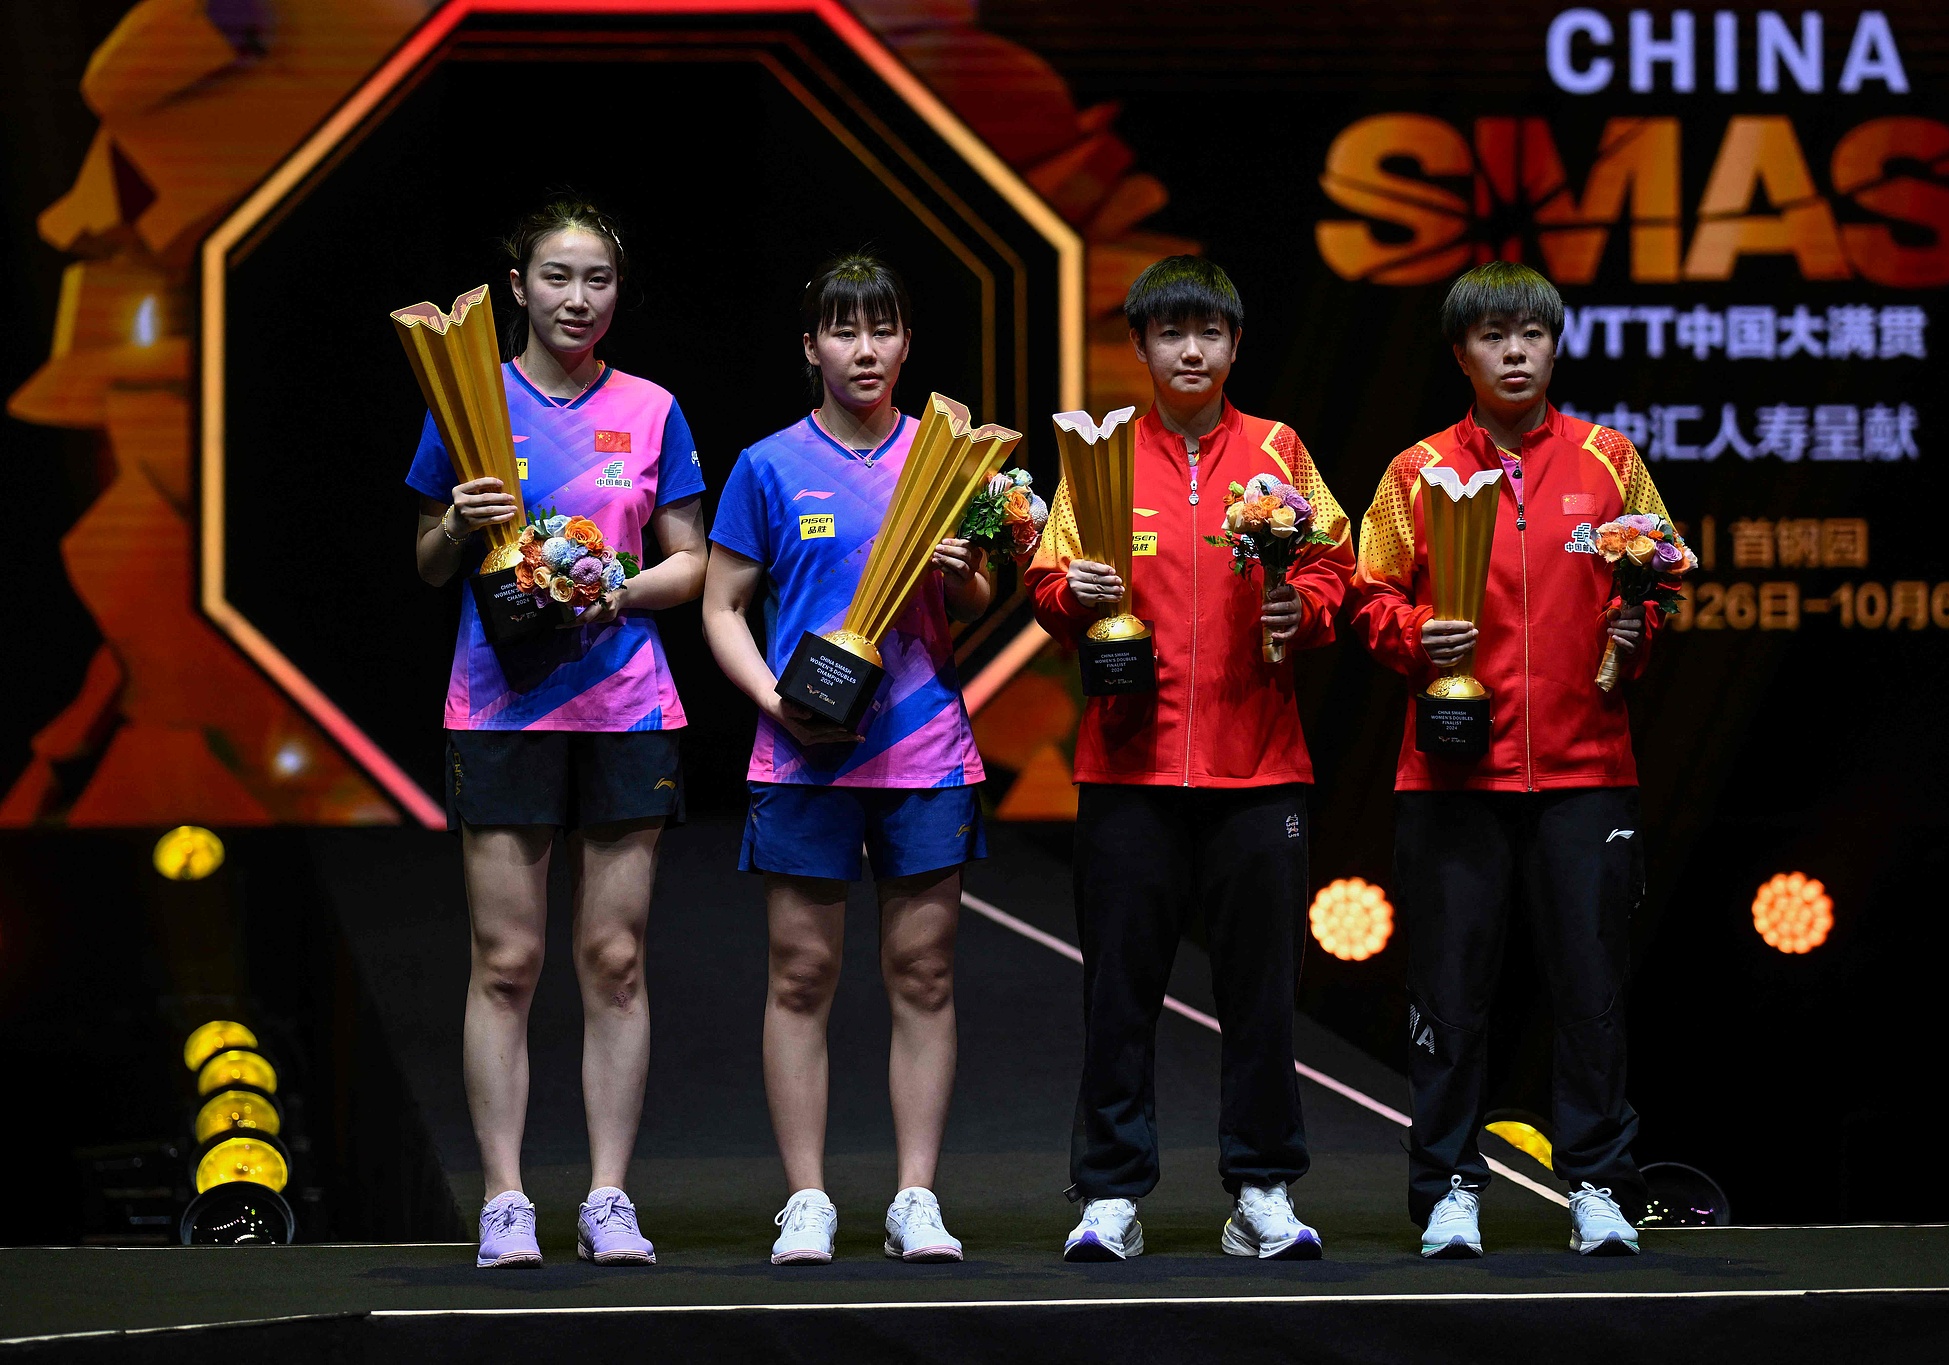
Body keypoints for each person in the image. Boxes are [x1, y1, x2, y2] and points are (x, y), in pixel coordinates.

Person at [1025, 256, 1354, 1262]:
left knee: (1260, 992)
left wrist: (1309, 611)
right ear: (1139, 349)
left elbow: (1336, 568)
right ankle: (1111, 1196)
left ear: (1234, 345)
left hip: (1259, 771)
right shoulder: (1099, 456)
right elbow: (1045, 590)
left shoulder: (1279, 450)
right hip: (1125, 772)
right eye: (1170, 333)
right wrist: (1072, 593)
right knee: (1118, 991)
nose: (1190, 350)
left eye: (1208, 332)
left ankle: (1259, 1189)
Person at [408, 200, 707, 1269]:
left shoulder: (653, 406)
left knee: (614, 959)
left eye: (598, 280)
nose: (578, 299)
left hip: (627, 707)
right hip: (499, 707)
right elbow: (430, 564)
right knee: (508, 959)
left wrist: (610, 586)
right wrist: (453, 518)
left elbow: (690, 562)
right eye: (557, 277)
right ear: (518, 285)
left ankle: (608, 1198)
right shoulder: (468, 399)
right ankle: (502, 1199)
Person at [1350, 260, 1669, 1259]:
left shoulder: (1608, 460)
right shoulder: (1414, 472)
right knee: (1447, 994)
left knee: (1590, 990)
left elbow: (1655, 577)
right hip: (1452, 776)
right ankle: (1448, 1185)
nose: (1515, 351)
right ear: (1461, 355)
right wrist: (1410, 635)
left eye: (1530, 333)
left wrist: (1636, 626)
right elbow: (1363, 594)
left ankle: (1599, 1187)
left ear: (1554, 343)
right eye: (1492, 337)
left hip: (1585, 772)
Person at [701, 253, 994, 1266]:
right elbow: (721, 605)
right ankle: (808, 1198)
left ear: (906, 343)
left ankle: (916, 1196)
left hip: (924, 751)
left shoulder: (946, 460)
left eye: (882, 330)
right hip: (804, 757)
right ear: (810, 348)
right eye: (843, 331)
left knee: (921, 971)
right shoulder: (766, 465)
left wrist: (963, 575)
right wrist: (773, 705)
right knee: (801, 973)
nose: (864, 350)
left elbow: (975, 601)